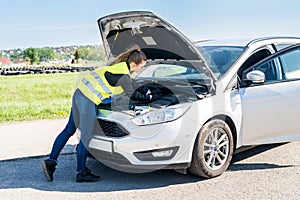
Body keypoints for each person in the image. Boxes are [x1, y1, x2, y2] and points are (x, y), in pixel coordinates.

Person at [42, 46, 155, 182]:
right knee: (86, 136)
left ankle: (51, 162)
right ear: (134, 64)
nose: (143, 69)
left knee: (69, 129)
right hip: (88, 100)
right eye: (142, 66)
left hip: (79, 94)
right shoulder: (123, 76)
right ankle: (81, 172)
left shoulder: (118, 68)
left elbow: (131, 84)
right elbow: (132, 94)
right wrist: (148, 98)